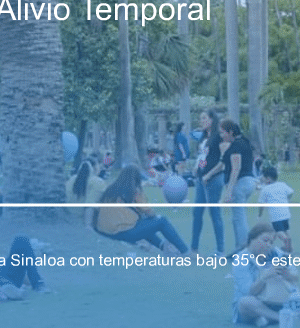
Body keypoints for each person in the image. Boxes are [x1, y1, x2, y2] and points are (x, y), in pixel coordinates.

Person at [231, 222, 300, 327]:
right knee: (245, 302)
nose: (268, 245)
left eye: (271, 242)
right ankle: (284, 318)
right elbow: (248, 292)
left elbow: (296, 277)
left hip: (277, 300)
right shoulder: (241, 259)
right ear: (252, 239)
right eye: (265, 240)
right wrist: (264, 277)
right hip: (256, 302)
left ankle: (266, 318)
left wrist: (287, 274)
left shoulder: (276, 253)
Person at [94, 165, 188, 254]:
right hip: (122, 234)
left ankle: (162, 245)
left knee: (142, 222)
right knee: (162, 221)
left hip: (105, 232)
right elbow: (150, 213)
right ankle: (184, 251)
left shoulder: (110, 189)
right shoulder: (134, 191)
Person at [191, 109, 226, 255]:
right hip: (201, 179)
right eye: (200, 118)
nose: (201, 121)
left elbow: (223, 161)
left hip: (214, 179)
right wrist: (197, 167)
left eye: (204, 118)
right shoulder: (204, 137)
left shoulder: (219, 136)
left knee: (214, 213)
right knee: (197, 212)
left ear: (212, 119)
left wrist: (209, 174)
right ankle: (194, 248)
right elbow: (203, 156)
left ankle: (220, 250)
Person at [220, 119, 257, 249]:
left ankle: (243, 248)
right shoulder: (244, 142)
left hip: (241, 183)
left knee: (239, 217)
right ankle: (239, 248)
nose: (221, 135)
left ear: (230, 132)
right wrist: (207, 175)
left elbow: (236, 169)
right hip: (249, 182)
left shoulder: (236, 145)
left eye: (223, 132)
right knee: (237, 217)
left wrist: (229, 191)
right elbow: (222, 165)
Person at [257, 165, 293, 252]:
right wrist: (287, 199)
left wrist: (260, 214)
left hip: (275, 215)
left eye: (263, 177)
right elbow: (291, 192)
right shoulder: (282, 185)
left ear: (268, 179)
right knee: (285, 230)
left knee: (278, 231)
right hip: (285, 213)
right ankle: (289, 247)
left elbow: (261, 204)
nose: (262, 179)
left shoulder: (265, 189)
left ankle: (286, 242)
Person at [65, 159, 106, 227]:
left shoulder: (72, 179)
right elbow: (90, 205)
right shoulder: (98, 182)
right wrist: (88, 226)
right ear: (95, 167)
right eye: (99, 166)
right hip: (84, 222)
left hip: (68, 219)